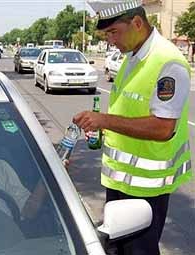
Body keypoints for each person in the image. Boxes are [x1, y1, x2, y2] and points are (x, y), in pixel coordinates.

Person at [72, 1, 192, 254]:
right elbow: (126, 112)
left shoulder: (168, 62)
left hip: (146, 187)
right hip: (119, 182)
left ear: (137, 23)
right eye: (106, 35)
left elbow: (162, 129)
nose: (110, 40)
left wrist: (104, 120)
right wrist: (101, 125)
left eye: (113, 32)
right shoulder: (132, 57)